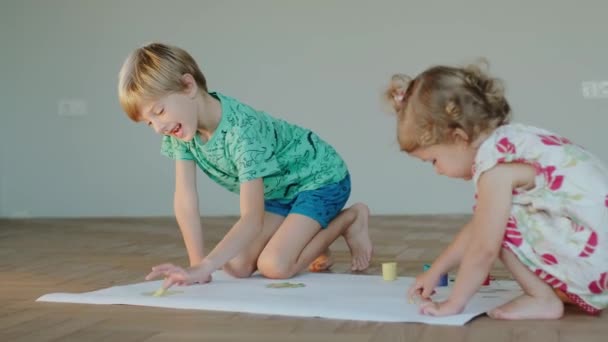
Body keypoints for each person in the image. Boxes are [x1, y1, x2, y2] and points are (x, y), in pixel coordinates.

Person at [117, 43, 372, 290]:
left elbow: (252, 219)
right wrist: (197, 266)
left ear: (188, 85)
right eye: (148, 123)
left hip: (320, 179)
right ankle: (308, 236)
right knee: (236, 266)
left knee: (275, 266)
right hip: (278, 192)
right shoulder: (179, 131)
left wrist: (207, 265)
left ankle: (350, 218)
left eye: (159, 111)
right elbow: (185, 199)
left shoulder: (241, 131)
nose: (158, 127)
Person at [384, 61, 608, 319]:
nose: (437, 170)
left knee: (495, 225)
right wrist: (437, 270)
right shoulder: (508, 142)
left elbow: (483, 248)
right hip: (595, 250)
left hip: (593, 259)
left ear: (458, 137)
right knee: (492, 218)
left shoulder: (495, 170)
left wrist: (453, 303)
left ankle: (542, 298)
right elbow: (481, 223)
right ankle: (554, 292)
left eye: (434, 160)